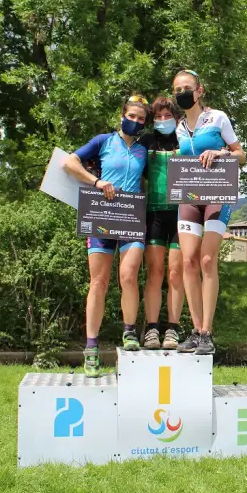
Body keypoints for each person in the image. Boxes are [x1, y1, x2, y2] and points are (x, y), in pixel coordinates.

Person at [63, 95, 149, 376]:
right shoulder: (103, 141)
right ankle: (91, 348)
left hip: (131, 217)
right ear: (121, 116)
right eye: (132, 116)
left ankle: (129, 331)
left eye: (141, 119)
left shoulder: (143, 149)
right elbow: (69, 163)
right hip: (101, 215)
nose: (135, 122)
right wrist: (97, 181)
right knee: (98, 282)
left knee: (128, 275)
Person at [171, 70, 246, 356]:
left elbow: (241, 155)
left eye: (186, 88)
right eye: (177, 89)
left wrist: (221, 154)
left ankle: (207, 332)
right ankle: (195, 329)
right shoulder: (178, 127)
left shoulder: (218, 118)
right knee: (188, 261)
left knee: (206, 258)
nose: (182, 93)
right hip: (189, 199)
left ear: (199, 91)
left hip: (217, 195)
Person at [138, 97, 185, 350]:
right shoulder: (146, 141)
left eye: (168, 116)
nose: (163, 121)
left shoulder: (186, 140)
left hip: (182, 214)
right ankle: (152, 329)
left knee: (176, 273)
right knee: (154, 272)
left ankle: (173, 329)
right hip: (154, 214)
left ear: (177, 118)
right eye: (158, 117)